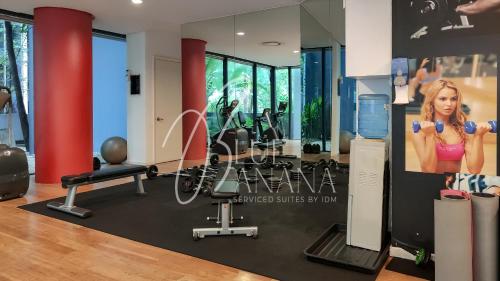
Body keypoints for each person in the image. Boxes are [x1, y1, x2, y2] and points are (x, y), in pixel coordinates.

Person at [412, 79, 491, 174]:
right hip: (430, 185)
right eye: (443, 99)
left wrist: (479, 136)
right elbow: (429, 170)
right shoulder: (421, 131)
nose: (449, 104)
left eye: (453, 99)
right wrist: (430, 136)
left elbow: (475, 170)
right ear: (432, 101)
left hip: (453, 186)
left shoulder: (463, 129)